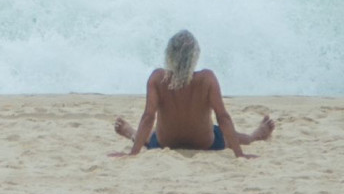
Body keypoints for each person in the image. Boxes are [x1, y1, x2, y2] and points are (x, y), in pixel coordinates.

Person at [111, 30, 275, 158]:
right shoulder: (207, 79)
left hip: (166, 142)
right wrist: (240, 154)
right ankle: (254, 136)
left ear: (169, 54)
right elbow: (222, 116)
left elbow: (148, 117)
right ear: (195, 56)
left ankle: (132, 133)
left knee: (150, 135)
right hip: (205, 143)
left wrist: (132, 154)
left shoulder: (157, 78)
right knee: (235, 137)